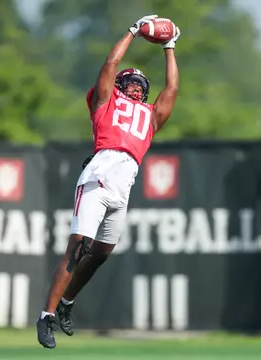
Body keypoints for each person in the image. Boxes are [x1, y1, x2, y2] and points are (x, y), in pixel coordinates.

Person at [36, 14, 180, 349]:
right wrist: (132, 31)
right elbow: (111, 62)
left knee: (100, 253)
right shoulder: (106, 104)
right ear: (117, 87)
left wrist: (169, 46)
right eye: (129, 82)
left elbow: (171, 89)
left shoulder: (150, 117)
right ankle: (46, 316)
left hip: (123, 188)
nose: (135, 86)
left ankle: (67, 303)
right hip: (98, 179)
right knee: (77, 246)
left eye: (140, 86)